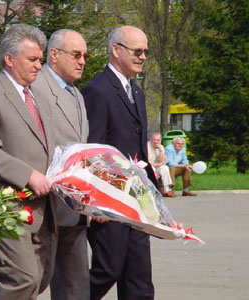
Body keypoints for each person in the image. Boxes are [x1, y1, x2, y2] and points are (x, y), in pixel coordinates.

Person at [0, 24, 56, 300]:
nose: (39, 66)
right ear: (9, 59)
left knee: (38, 281)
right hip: (5, 206)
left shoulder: (39, 96)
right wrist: (28, 174)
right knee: (21, 278)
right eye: (32, 59)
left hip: (44, 206)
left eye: (41, 60)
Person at [82, 25, 157, 300]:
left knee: (139, 277)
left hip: (137, 199)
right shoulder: (97, 91)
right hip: (110, 199)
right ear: (116, 50)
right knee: (107, 270)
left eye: (145, 51)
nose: (143, 57)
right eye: (137, 51)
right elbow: (92, 150)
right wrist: (94, 200)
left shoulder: (135, 92)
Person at [31, 29, 90, 300]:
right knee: (31, 282)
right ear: (53, 55)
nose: (82, 61)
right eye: (76, 54)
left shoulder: (76, 94)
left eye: (85, 56)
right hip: (46, 205)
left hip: (74, 205)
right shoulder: (36, 87)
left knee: (76, 286)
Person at [148, 133, 175, 197]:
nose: (156, 142)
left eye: (158, 140)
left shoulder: (161, 147)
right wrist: (159, 164)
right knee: (152, 168)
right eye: (154, 140)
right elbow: (148, 162)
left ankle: (167, 190)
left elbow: (163, 161)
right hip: (148, 167)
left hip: (156, 166)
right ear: (151, 140)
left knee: (165, 168)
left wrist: (160, 151)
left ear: (160, 141)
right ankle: (153, 190)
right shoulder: (147, 146)